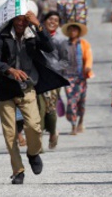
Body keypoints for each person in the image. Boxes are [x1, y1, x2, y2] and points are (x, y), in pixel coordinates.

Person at [0, 10, 65, 184]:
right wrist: (9, 70)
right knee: (10, 133)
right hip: (7, 89)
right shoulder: (2, 36)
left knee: (34, 126)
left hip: (27, 88)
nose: (21, 22)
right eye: (18, 18)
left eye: (25, 19)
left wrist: (38, 25)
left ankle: (33, 153)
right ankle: (18, 171)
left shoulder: (33, 34)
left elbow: (49, 47)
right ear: (12, 18)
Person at [38, 11, 70, 149]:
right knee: (38, 107)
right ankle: (37, 139)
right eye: (50, 19)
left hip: (53, 78)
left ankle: (52, 132)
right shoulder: (36, 36)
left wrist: (54, 68)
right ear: (44, 21)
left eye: (56, 20)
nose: (53, 22)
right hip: (37, 77)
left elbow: (65, 60)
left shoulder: (61, 40)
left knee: (50, 108)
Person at [62, 21, 94, 135]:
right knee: (71, 100)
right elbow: (61, 60)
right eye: (70, 29)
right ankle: (73, 125)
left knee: (81, 101)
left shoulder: (84, 44)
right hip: (68, 77)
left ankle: (81, 120)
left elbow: (89, 57)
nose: (73, 31)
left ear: (79, 32)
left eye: (75, 29)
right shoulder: (64, 45)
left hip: (81, 77)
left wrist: (88, 67)